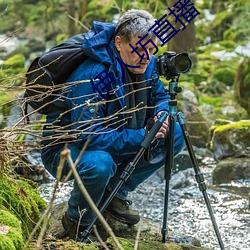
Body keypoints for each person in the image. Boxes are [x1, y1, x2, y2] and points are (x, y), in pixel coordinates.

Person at [41, 9, 185, 241]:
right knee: (100, 164)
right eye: (140, 49)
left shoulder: (145, 63)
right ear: (119, 43)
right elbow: (87, 135)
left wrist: (161, 114)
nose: (147, 56)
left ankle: (115, 193)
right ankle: (76, 221)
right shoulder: (94, 76)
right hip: (67, 150)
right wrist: (142, 136)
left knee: (175, 132)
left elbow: (159, 96)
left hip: (116, 136)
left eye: (151, 49)